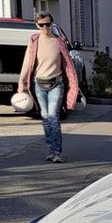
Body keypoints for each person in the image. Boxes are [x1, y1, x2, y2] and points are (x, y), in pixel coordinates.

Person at [19, 13, 80, 163]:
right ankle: (51, 148)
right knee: (45, 117)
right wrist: (22, 83)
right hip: (39, 83)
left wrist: (74, 85)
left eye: (47, 24)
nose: (45, 28)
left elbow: (68, 65)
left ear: (52, 23)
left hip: (56, 83)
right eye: (41, 25)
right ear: (37, 25)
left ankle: (56, 151)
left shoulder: (59, 42)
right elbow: (27, 62)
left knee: (53, 116)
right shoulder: (34, 41)